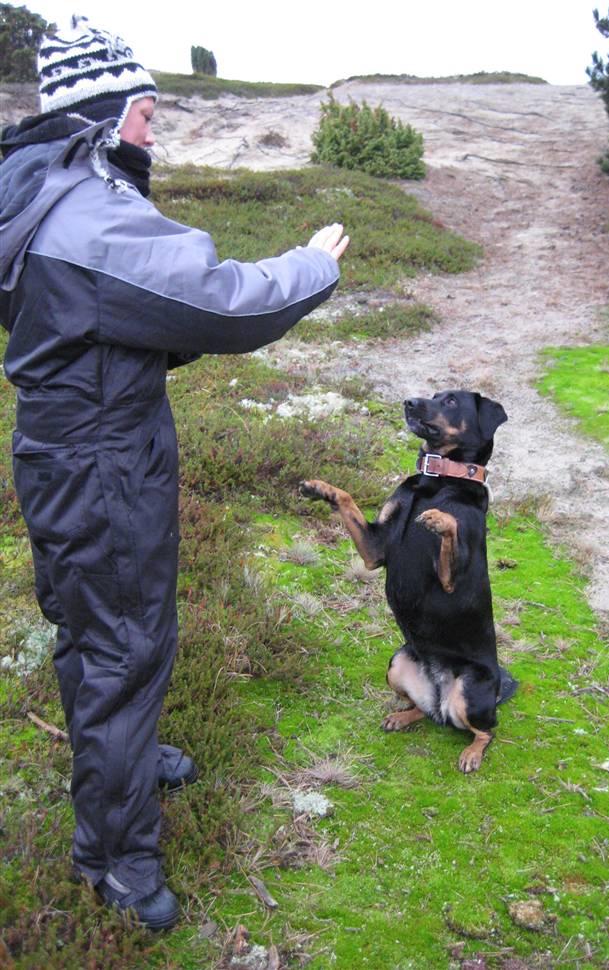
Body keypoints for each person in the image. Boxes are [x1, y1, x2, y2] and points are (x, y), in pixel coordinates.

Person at [0, 17, 349, 931]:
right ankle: (116, 864)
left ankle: (122, 758)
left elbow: (103, 322)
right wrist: (312, 265)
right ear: (104, 116)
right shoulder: (91, 216)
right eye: (148, 116)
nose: (155, 135)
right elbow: (218, 303)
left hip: (62, 451)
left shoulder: (39, 192)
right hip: (104, 466)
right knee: (123, 646)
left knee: (89, 630)